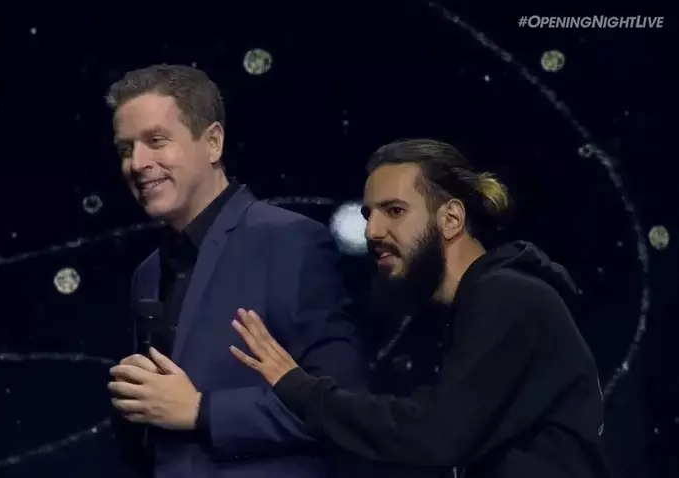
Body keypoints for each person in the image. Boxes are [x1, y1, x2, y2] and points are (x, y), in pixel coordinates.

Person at [229, 139, 614, 478]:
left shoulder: (508, 297)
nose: (371, 231)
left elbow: (435, 434)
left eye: (394, 211)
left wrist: (300, 388)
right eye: (368, 214)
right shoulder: (461, 310)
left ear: (451, 219)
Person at [103, 64, 367, 478]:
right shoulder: (147, 274)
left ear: (212, 142)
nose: (137, 163)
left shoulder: (289, 242)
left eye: (156, 141)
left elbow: (345, 408)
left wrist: (201, 410)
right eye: (125, 149)